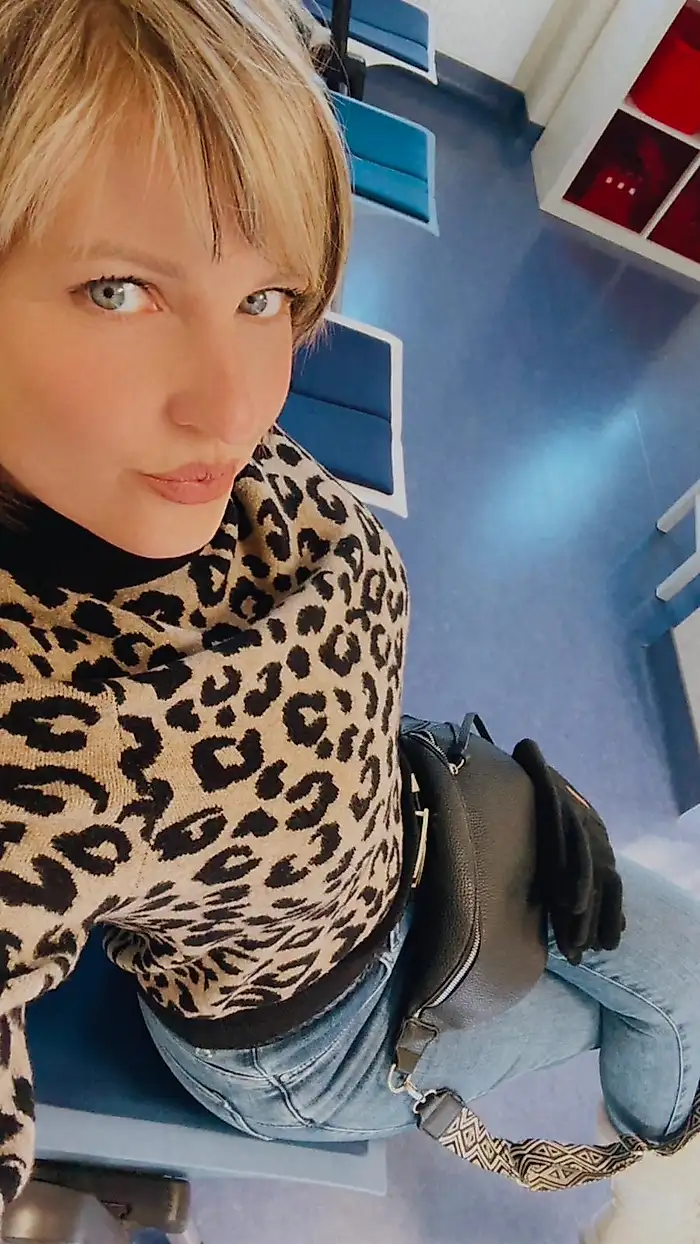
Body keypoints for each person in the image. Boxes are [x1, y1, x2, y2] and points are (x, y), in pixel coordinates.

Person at [0, 3, 698, 1242]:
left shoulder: (163, 462)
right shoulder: (36, 721)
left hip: (420, 824)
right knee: (661, 1008)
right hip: (318, 1034)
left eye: (267, 294)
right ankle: (653, 1196)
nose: (235, 404)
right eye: (118, 288)